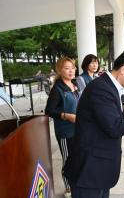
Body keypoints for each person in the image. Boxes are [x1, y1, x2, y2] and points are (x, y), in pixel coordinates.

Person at [63, 50, 124, 198]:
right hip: (89, 173)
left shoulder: (108, 86)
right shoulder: (101, 89)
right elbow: (114, 127)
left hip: (97, 170)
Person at [45, 57, 80, 198]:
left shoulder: (74, 84)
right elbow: (49, 111)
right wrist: (67, 116)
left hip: (78, 129)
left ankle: (76, 183)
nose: (71, 71)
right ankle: (68, 189)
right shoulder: (57, 89)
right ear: (60, 70)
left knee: (77, 158)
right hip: (65, 132)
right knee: (67, 160)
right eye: (67, 68)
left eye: (72, 67)